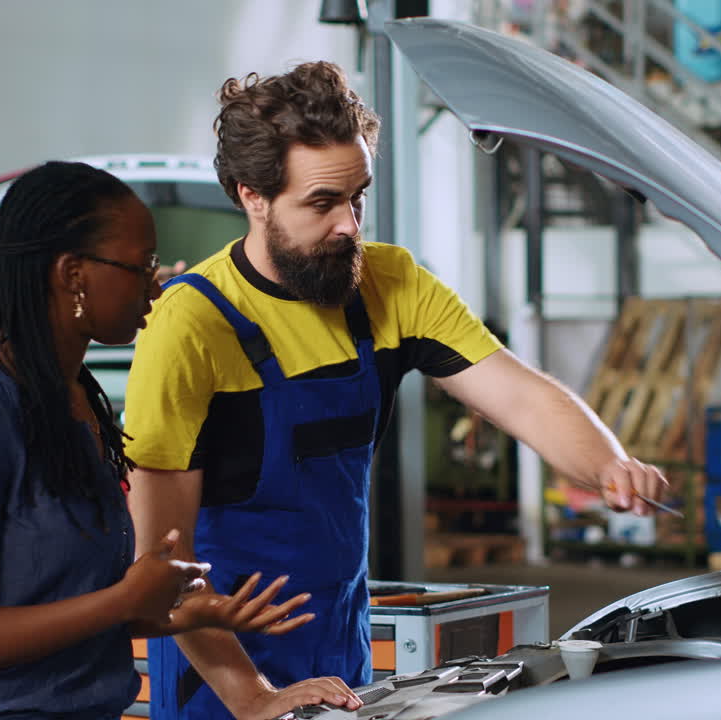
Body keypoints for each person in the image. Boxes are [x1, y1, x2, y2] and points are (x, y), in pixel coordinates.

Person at [121, 61, 670, 720]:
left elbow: (519, 395)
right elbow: (161, 560)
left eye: (359, 197)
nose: (351, 225)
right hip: (221, 671)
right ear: (252, 197)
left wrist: (609, 463)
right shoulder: (191, 324)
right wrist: (254, 698)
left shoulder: (391, 283)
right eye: (323, 203)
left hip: (339, 644)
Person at [0, 161, 320, 720]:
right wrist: (123, 599)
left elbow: (58, 604)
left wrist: (180, 613)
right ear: (72, 273)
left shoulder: (74, 402)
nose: (159, 280)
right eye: (140, 265)